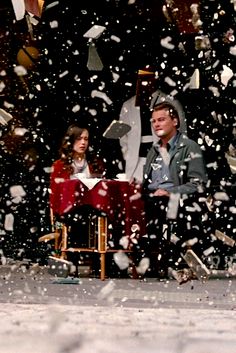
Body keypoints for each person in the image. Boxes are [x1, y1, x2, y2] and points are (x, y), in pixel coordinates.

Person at [140, 101, 208, 282]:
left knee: (163, 206)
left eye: (161, 120)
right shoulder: (153, 150)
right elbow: (148, 180)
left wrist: (172, 193)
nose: (157, 125)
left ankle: (169, 262)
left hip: (175, 199)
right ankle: (137, 260)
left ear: (175, 121)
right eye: (154, 121)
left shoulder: (189, 146)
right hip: (152, 197)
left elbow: (198, 184)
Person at [50, 124, 106, 250]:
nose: (83, 142)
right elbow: (56, 194)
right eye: (79, 139)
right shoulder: (60, 165)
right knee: (78, 219)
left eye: (86, 139)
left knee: (105, 215)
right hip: (69, 209)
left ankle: (102, 261)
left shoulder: (95, 163)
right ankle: (75, 258)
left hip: (93, 207)